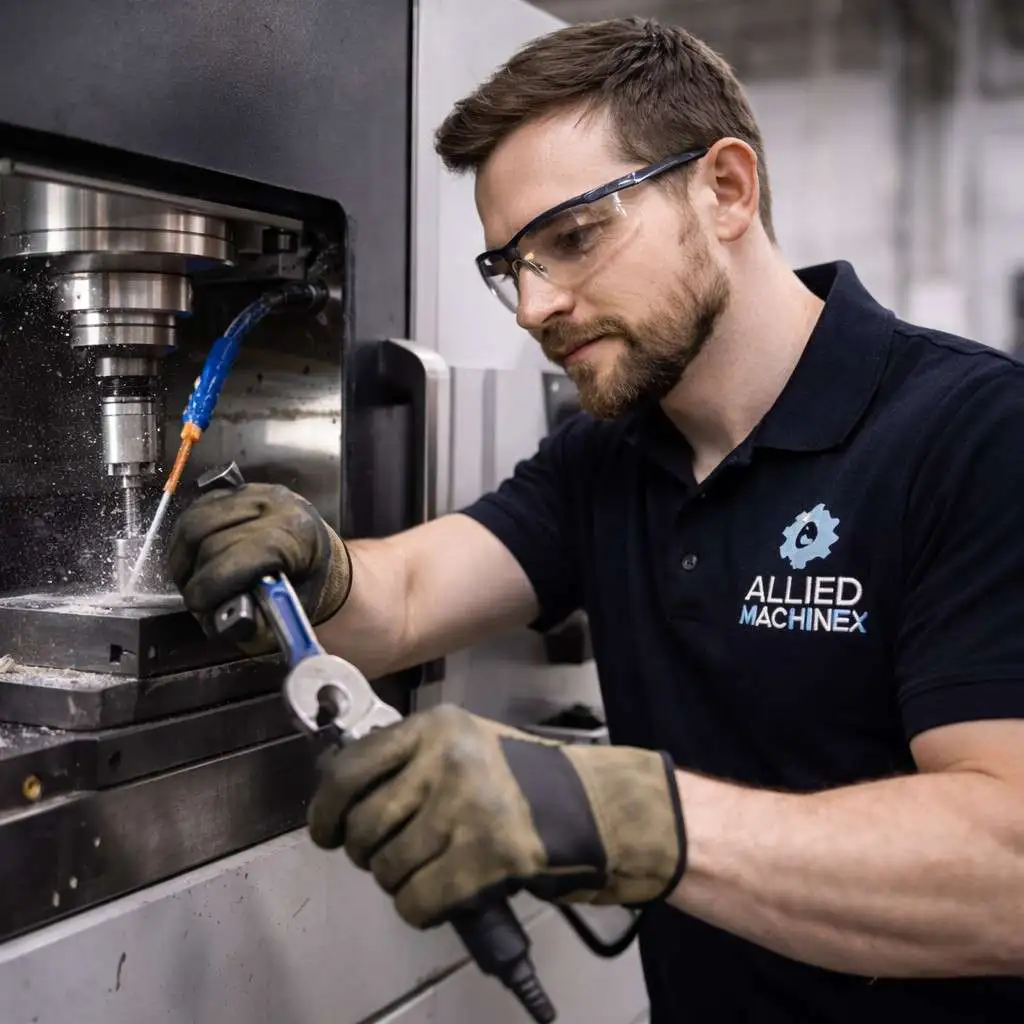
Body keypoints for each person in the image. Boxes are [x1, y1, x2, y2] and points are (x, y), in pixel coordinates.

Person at [167, 16, 1024, 1022]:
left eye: (572, 238)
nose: (534, 307)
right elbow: (400, 599)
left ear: (726, 189)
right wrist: (312, 566)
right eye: (509, 268)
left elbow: (1004, 867)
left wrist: (612, 815)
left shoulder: (973, 433)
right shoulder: (607, 454)